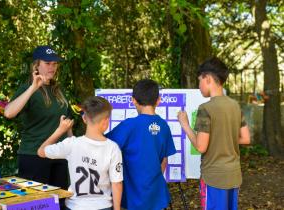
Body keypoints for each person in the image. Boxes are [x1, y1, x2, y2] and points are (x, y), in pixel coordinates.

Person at [177, 57, 251, 210]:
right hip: (234, 176)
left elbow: (201, 147)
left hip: (213, 179)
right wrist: (223, 136)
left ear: (208, 78)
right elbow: (245, 138)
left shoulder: (205, 109)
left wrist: (185, 125)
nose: (199, 87)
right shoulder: (235, 106)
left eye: (199, 81)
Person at [4, 45, 72, 190]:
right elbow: (9, 113)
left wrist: (72, 147)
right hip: (33, 155)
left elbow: (67, 123)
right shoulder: (27, 88)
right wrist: (33, 88)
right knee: (37, 203)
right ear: (36, 65)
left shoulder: (59, 91)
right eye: (47, 63)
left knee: (59, 202)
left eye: (55, 64)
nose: (52, 67)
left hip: (58, 154)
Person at [37, 96, 123, 210]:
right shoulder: (113, 148)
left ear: (84, 118)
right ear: (106, 121)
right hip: (102, 206)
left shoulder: (71, 144)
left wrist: (60, 130)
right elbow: (117, 184)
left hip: (75, 206)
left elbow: (41, 151)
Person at [106, 79, 176, 210]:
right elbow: (164, 160)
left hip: (133, 194)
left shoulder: (129, 125)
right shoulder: (164, 126)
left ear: (133, 100)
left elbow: (103, 144)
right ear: (158, 100)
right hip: (156, 193)